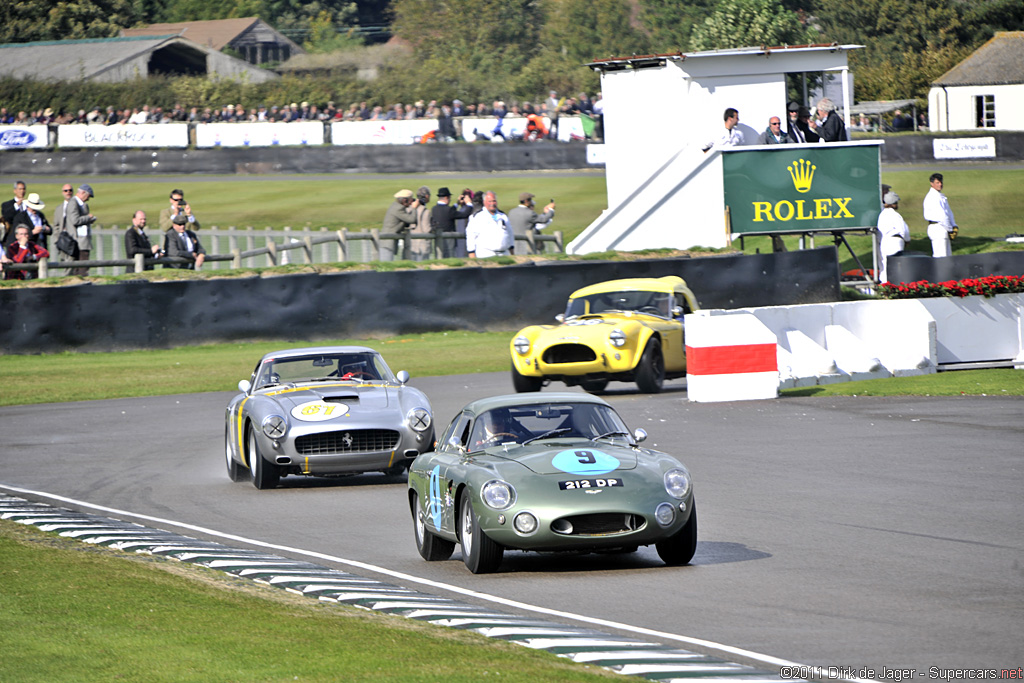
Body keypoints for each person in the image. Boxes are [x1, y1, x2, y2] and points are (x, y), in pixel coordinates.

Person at [876, 191, 910, 284]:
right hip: (895, 240)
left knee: (884, 264)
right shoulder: (895, 215)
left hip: (884, 241)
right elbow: (903, 230)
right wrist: (907, 240)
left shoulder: (881, 215)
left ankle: (884, 284)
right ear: (893, 203)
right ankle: (896, 284)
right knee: (896, 264)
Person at [466, 191, 513, 258]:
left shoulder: (503, 216)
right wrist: (471, 254)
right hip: (486, 254)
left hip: (504, 254)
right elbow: (471, 236)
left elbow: (510, 234)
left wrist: (512, 251)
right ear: (484, 202)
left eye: (494, 201)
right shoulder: (477, 217)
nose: (492, 203)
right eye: (489, 201)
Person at [430, 187, 473, 258]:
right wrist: (469, 204)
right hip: (449, 240)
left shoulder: (434, 209)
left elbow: (448, 212)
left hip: (438, 240)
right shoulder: (449, 210)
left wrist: (457, 204)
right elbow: (464, 214)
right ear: (447, 197)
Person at [64, 184, 97, 276]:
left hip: (82, 241)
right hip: (79, 242)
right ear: (82, 193)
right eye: (88, 196)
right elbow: (75, 220)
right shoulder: (73, 203)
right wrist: (88, 218)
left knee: (82, 267)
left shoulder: (81, 204)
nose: (88, 199)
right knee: (82, 267)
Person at [923, 173, 957, 258]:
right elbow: (942, 216)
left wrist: (954, 226)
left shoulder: (940, 196)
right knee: (941, 256)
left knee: (947, 256)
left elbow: (948, 212)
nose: (940, 184)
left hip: (943, 228)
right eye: (937, 183)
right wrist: (950, 230)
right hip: (938, 227)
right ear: (932, 183)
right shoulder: (933, 197)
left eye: (941, 182)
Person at [381, 189, 419, 261]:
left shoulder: (396, 206)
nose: (411, 203)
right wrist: (414, 208)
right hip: (387, 243)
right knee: (386, 266)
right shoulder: (398, 209)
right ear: (405, 200)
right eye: (411, 200)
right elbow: (412, 220)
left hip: (388, 242)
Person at [409, 186, 433, 261]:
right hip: (422, 245)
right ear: (427, 196)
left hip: (412, 244)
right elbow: (426, 229)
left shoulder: (410, 208)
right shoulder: (425, 211)